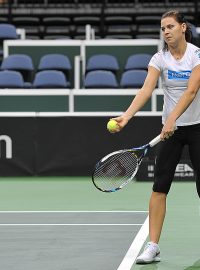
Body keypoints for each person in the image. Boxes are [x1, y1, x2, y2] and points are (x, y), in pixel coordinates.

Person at [110, 10, 200, 264]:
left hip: (197, 127)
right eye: (162, 28)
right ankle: (153, 246)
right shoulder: (159, 58)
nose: (166, 31)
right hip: (169, 132)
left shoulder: (196, 55)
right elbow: (146, 89)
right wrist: (127, 116)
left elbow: (192, 90)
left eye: (170, 26)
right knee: (160, 187)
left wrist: (173, 119)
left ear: (183, 27)